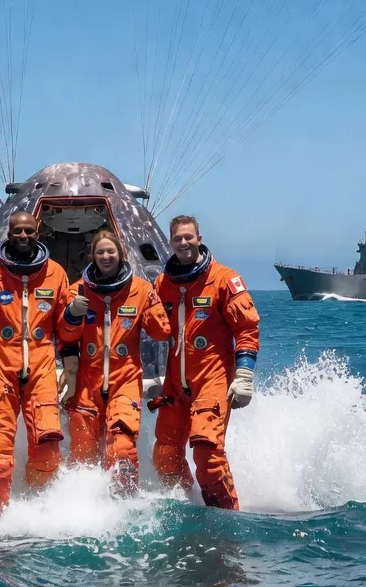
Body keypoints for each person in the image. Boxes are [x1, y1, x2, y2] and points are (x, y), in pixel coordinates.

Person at [0, 212, 71, 515]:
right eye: (17, 230)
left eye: (28, 231)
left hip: (41, 370)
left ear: (38, 231)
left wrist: (73, 320)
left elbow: (66, 329)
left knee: (47, 448)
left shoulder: (55, 273)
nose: (22, 236)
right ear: (8, 232)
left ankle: (37, 511)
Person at [149, 215, 260, 510]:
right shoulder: (163, 283)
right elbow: (150, 327)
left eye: (188, 237)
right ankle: (189, 506)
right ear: (170, 242)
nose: (183, 243)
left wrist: (244, 375)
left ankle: (227, 519)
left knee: (207, 454)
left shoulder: (224, 279)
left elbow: (246, 328)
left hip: (212, 380)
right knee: (165, 455)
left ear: (199, 238)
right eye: (177, 239)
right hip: (175, 385)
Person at [59, 229, 170, 494]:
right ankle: (84, 505)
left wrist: (154, 307)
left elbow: (161, 332)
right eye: (100, 252)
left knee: (122, 446)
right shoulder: (78, 290)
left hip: (124, 379)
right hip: (88, 381)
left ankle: (123, 506)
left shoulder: (141, 290)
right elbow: (64, 335)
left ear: (121, 254)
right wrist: (72, 314)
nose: (106, 256)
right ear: (92, 256)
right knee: (83, 453)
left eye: (111, 251)